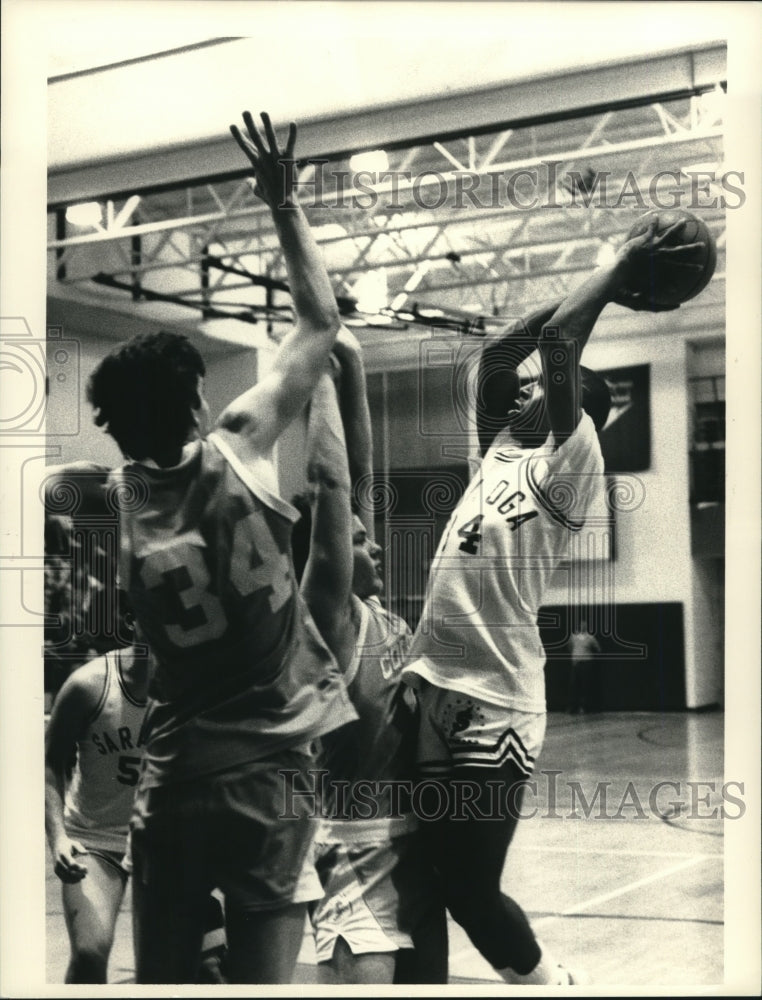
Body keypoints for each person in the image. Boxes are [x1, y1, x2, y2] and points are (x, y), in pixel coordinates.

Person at [84, 111, 357, 984]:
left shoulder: (108, 507)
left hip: (172, 774)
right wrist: (282, 204)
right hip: (273, 766)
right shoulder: (240, 442)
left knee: (164, 979)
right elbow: (319, 323)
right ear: (198, 404)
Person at [401, 219, 705, 985]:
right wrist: (602, 290)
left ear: (581, 409)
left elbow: (564, 342)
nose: (527, 387)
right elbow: (502, 352)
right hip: (431, 686)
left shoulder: (574, 456)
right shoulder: (503, 447)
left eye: (543, 388)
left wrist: (617, 268)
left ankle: (547, 982)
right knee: (418, 878)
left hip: (494, 701)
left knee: (469, 889)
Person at [291, 333, 448, 984]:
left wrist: (352, 366)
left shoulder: (379, 614)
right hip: (356, 848)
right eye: (358, 540)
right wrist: (318, 363)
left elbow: (356, 479)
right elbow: (332, 483)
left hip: (413, 841)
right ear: (326, 557)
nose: (374, 544)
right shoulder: (326, 620)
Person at [44, 642, 148, 983]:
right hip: (96, 837)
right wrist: (59, 837)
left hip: (164, 838)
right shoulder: (89, 684)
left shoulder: (194, 683)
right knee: (89, 954)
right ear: (134, 617)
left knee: (203, 968)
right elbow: (51, 761)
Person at [567, 618, 602, 714]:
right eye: (581, 625)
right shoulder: (573, 637)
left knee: (585, 686)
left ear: (587, 628)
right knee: (574, 685)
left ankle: (584, 707)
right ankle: (573, 707)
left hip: (586, 663)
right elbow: (569, 647)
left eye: (585, 626)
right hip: (576, 663)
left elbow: (598, 649)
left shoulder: (590, 638)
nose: (583, 627)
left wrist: (587, 654)